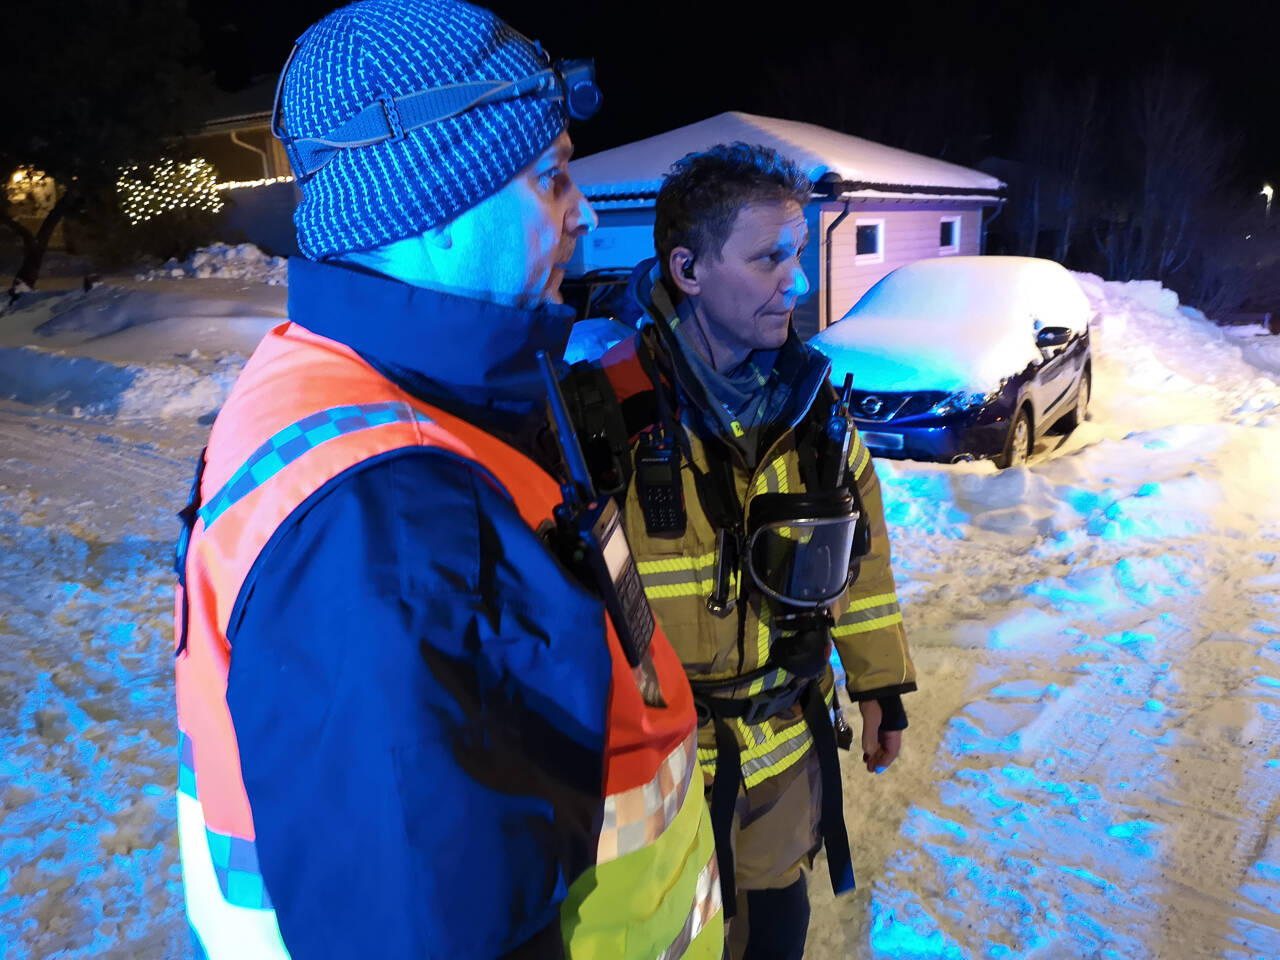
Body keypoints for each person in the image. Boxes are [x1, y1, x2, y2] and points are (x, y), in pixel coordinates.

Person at [170, 2, 722, 957]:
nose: (583, 212)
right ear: (432, 212)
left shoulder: (376, 392)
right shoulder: (385, 520)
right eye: (550, 179)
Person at [565, 142, 917, 960]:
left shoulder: (816, 414)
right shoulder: (601, 420)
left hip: (783, 759)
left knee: (774, 932)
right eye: (768, 258)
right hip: (658, 781)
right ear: (687, 269)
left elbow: (863, 562)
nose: (796, 280)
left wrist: (880, 683)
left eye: (796, 253)